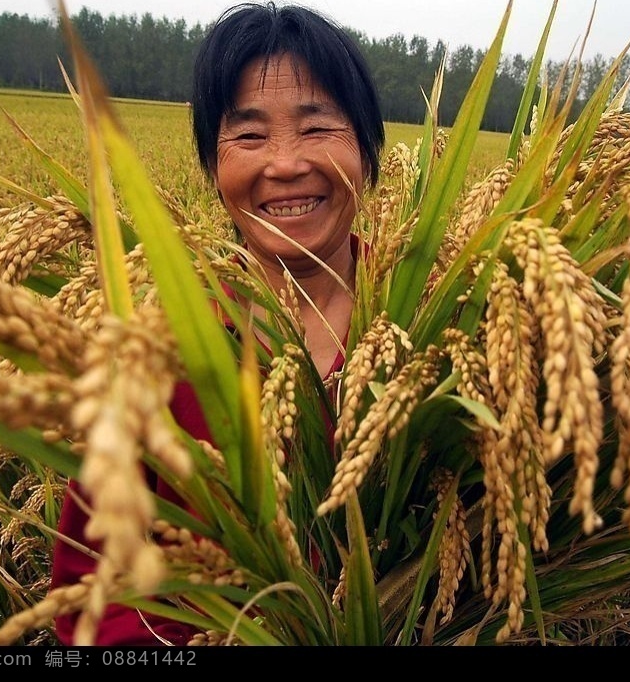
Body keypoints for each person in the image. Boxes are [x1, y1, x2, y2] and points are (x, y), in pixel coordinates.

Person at [49, 1, 385, 646]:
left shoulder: (436, 320)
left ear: (367, 149)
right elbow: (90, 591)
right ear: (213, 166)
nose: (284, 164)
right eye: (250, 136)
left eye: (317, 130)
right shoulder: (156, 348)